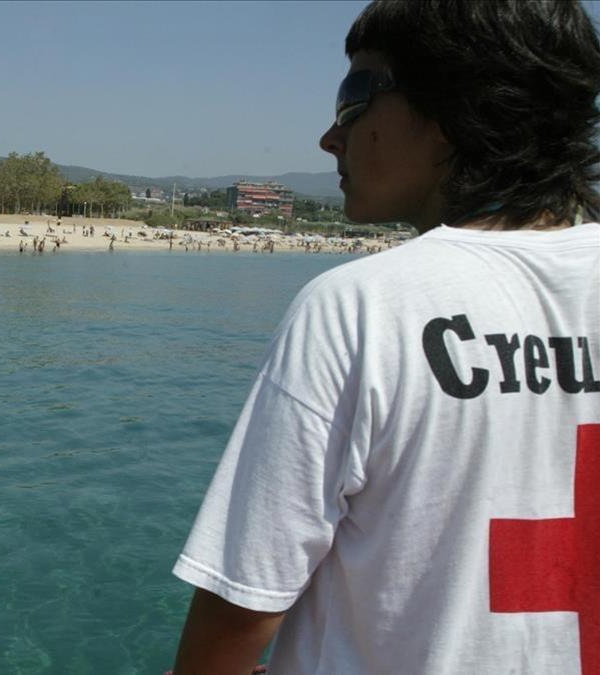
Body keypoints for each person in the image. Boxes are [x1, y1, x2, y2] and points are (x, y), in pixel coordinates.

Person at [170, 2, 600, 673]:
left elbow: (245, 603)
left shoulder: (360, 308)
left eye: (354, 99)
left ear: (456, 108)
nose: (330, 137)